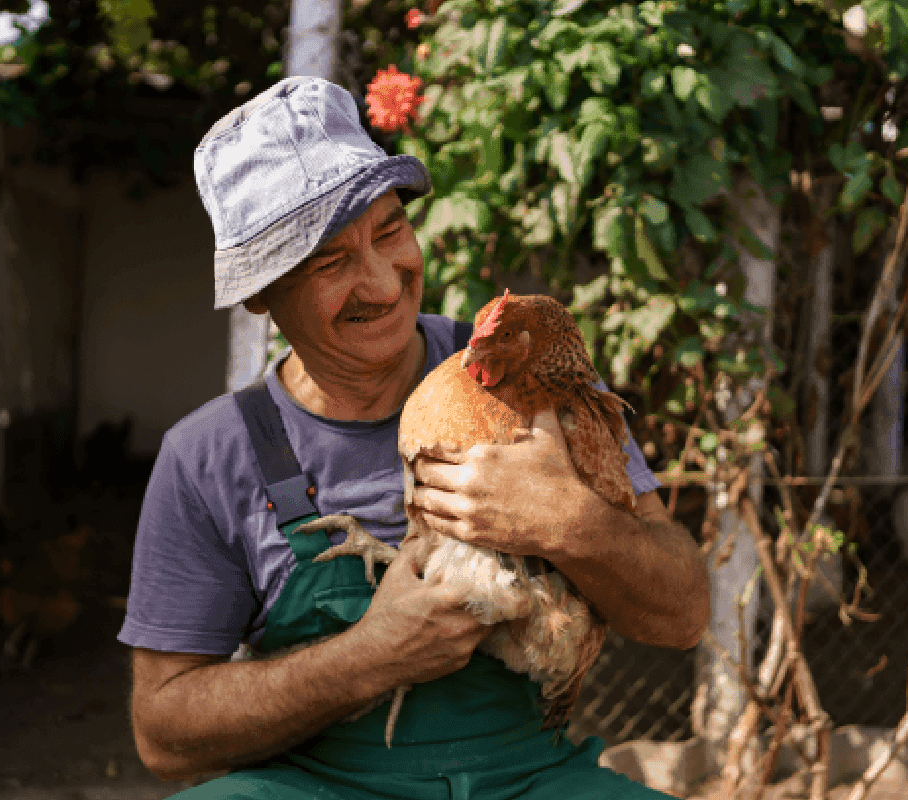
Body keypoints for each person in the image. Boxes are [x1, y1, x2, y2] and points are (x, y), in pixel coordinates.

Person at [119, 77, 710, 800]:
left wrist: (574, 524)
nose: (382, 280)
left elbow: (684, 615)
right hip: (319, 786)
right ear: (260, 292)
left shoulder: (518, 367)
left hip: (527, 777)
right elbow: (163, 737)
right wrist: (370, 655)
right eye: (330, 262)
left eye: (390, 229)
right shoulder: (211, 455)